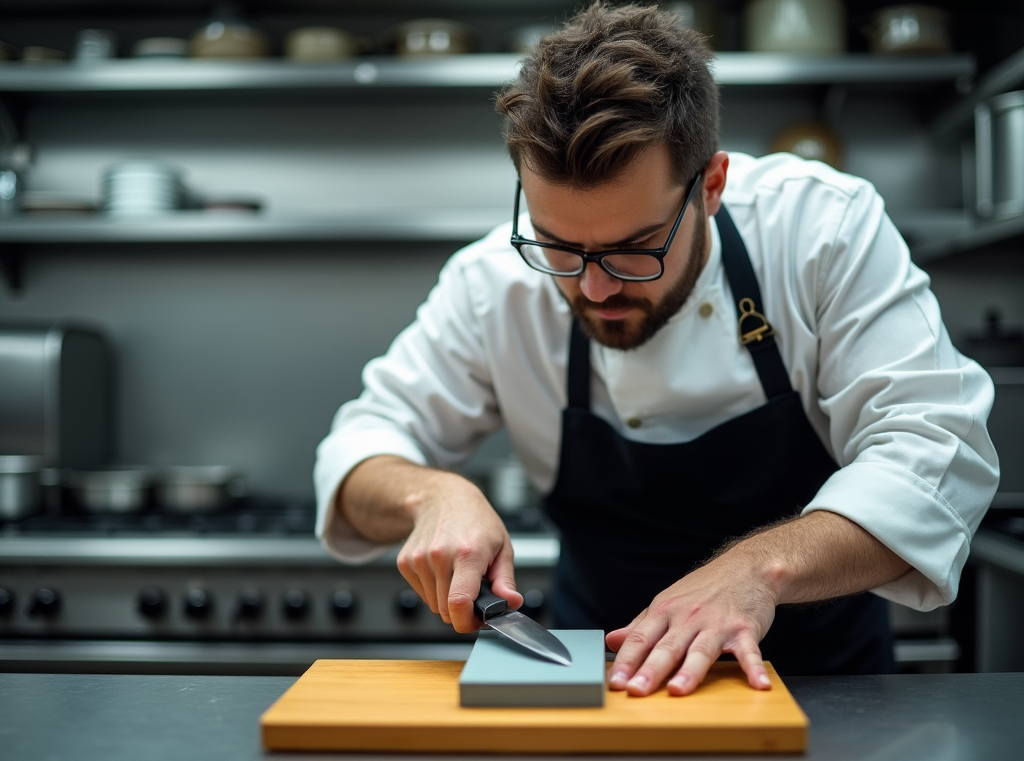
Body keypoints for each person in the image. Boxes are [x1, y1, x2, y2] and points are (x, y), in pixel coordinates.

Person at [314, 2, 998, 696]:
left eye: (635, 249)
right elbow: (358, 452)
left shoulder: (821, 230)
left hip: (826, 692)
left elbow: (935, 451)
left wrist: (756, 571)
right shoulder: (491, 283)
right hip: (605, 687)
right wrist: (430, 494)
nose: (594, 286)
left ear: (711, 187)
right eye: (557, 246)